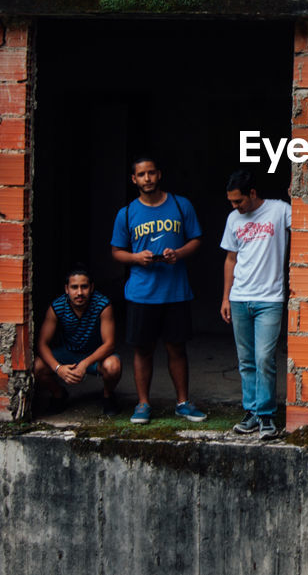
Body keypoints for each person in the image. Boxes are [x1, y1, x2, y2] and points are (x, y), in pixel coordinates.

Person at [111, 155, 207, 424]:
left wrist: (178, 253)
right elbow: (116, 251)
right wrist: (135, 258)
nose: (147, 178)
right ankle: (143, 404)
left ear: (159, 174)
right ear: (134, 179)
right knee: (143, 350)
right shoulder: (127, 213)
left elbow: (197, 240)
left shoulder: (180, 204)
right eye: (141, 174)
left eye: (151, 173)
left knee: (177, 348)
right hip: (141, 293)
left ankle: (183, 402)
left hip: (175, 291)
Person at [219, 169, 293, 440]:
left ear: (252, 193)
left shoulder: (279, 211)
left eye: (238, 201)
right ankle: (251, 412)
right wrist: (226, 297)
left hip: (269, 299)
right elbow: (230, 259)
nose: (235, 207)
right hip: (239, 298)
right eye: (231, 202)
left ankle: (266, 415)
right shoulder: (233, 219)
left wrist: (297, 192)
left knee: (264, 358)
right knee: (246, 360)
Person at [33, 266, 122, 416]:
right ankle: (58, 394)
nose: (79, 292)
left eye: (84, 287)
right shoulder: (57, 307)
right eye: (74, 287)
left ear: (91, 287)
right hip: (68, 353)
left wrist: (85, 364)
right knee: (37, 366)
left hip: (95, 355)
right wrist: (58, 368)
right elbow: (42, 344)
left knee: (113, 366)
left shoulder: (102, 305)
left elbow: (109, 344)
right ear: (67, 289)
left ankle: (108, 396)